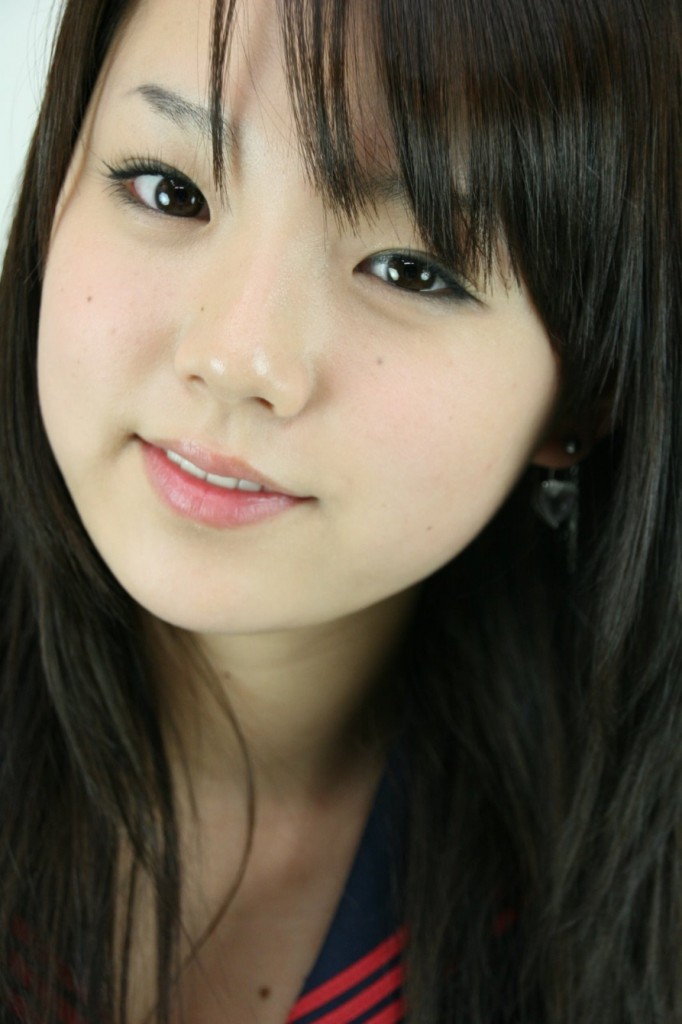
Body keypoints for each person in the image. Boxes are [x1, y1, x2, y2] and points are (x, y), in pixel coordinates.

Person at [0, 0, 679, 1021]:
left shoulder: (621, 923)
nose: (237, 357)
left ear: (587, 389)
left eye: (411, 270)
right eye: (170, 189)